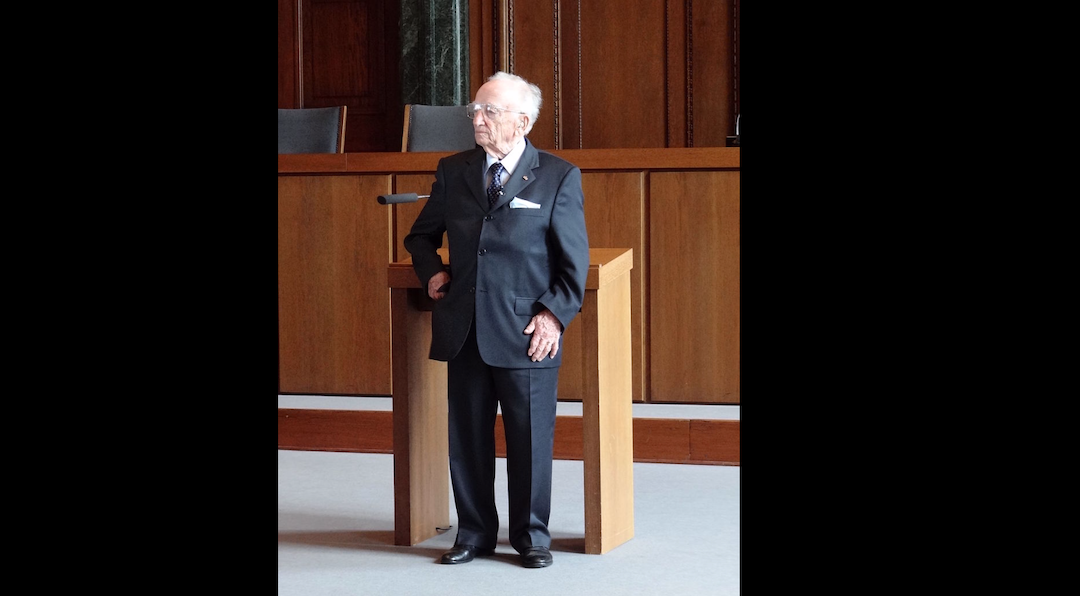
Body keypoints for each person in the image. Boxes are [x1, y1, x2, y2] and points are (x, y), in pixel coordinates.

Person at [403, 71, 590, 569]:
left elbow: (574, 263)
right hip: (464, 326)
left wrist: (553, 316)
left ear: (523, 121)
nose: (477, 120)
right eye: (475, 111)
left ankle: (531, 537)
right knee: (467, 438)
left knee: (530, 440)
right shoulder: (453, 170)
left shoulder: (557, 175)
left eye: (490, 111)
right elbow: (420, 237)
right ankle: (475, 534)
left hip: (528, 331)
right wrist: (433, 273)